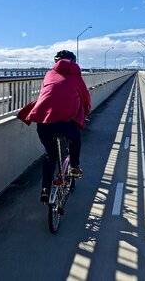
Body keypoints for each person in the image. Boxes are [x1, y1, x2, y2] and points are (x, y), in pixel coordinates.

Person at [25, 50, 91, 202]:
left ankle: (45, 189)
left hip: (44, 122)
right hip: (65, 123)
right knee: (75, 138)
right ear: (73, 61)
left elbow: (48, 94)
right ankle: (74, 166)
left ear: (56, 61)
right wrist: (86, 112)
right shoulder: (76, 76)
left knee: (50, 154)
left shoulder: (49, 74)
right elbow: (85, 98)